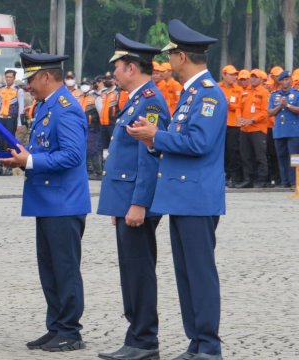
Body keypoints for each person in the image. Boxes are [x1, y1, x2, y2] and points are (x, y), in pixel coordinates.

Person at [127, 19, 226, 360]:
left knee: (199, 275)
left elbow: (198, 142)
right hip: (184, 198)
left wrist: (155, 137)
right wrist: (153, 139)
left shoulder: (209, 94)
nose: (167, 62)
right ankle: (196, 343)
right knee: (186, 277)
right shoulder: (191, 95)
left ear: (182, 57)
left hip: (197, 198)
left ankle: (209, 347)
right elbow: (179, 142)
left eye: (170, 55)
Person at [1, 52, 90, 352]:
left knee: (64, 269)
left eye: (31, 80)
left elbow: (73, 155)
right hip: (48, 201)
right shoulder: (46, 106)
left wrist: (31, 160)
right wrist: (24, 158)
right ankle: (56, 326)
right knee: (49, 269)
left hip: (64, 202)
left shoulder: (66, 108)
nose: (28, 86)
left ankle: (70, 330)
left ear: (47, 77)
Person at [97, 34, 171, 360]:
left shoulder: (150, 102)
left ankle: (144, 340)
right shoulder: (136, 99)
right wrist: (119, 203)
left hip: (137, 204)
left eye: (117, 67)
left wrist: (139, 203)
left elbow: (149, 157)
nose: (113, 73)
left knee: (139, 271)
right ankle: (135, 337)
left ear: (131, 67)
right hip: (125, 201)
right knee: (131, 271)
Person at [235, 69, 270, 188]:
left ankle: (262, 180)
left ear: (261, 79)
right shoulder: (244, 92)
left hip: (258, 129)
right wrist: (239, 117)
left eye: (256, 77)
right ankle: (247, 179)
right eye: (252, 77)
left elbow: (266, 112)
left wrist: (253, 119)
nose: (253, 79)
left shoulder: (264, 93)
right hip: (244, 129)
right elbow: (239, 107)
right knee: (246, 156)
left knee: (260, 155)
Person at [268, 70, 299, 188]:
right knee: (281, 157)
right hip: (279, 131)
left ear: (291, 80)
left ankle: (295, 181)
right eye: (283, 80)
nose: (286, 82)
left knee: (294, 157)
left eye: (288, 79)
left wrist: (288, 105)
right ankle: (285, 181)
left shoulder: (296, 94)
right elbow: (269, 113)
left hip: (294, 131)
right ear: (280, 81)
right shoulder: (274, 95)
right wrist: (279, 106)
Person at [0, 69, 25, 176]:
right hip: (1, 118)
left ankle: (9, 168)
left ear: (14, 78)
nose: (8, 79)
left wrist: (20, 123)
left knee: (10, 143)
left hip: (12, 118)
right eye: (7, 77)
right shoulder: (2, 90)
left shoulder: (18, 90)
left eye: (10, 77)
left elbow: (21, 108)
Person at [218, 65, 243, 187]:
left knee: (233, 151)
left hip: (234, 124)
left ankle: (233, 177)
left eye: (235, 75)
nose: (234, 77)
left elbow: (240, 106)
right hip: (219, 124)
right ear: (224, 75)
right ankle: (222, 175)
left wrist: (229, 105)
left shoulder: (239, 90)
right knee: (220, 151)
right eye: (231, 74)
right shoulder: (217, 88)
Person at [80, 81, 104, 179]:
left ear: (90, 86)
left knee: (92, 149)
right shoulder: (81, 98)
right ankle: (88, 171)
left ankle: (98, 172)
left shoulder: (95, 97)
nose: (84, 86)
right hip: (83, 127)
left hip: (93, 127)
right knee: (85, 149)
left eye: (86, 84)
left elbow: (101, 112)